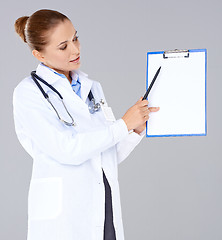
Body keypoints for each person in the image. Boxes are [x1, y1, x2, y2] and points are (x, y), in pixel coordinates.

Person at [13, 9, 159, 240]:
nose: (75, 49)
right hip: (65, 216)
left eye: (75, 38)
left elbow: (104, 155)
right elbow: (66, 149)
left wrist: (134, 131)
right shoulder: (28, 93)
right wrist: (123, 124)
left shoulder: (92, 88)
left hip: (103, 203)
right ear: (39, 55)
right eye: (63, 46)